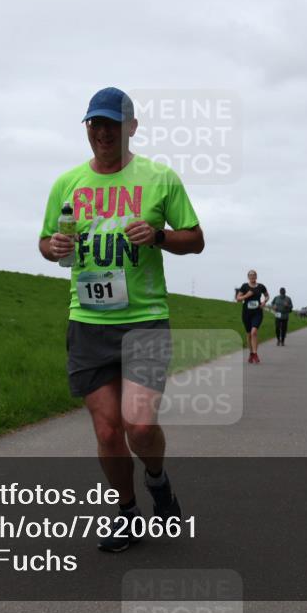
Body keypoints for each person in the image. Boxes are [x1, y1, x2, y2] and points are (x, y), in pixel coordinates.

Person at [39, 87, 204, 552]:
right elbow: (47, 241)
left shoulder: (159, 178)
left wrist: (158, 236)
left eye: (113, 123)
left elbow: (195, 239)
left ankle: (158, 482)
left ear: (131, 127)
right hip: (88, 321)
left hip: (144, 319)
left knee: (140, 426)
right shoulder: (67, 184)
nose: (104, 132)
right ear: (87, 128)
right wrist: (53, 248)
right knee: (108, 429)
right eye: (95, 124)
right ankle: (127, 514)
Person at [236, 270, 268, 363]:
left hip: (257, 312)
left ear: (256, 276)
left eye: (254, 275)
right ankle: (251, 353)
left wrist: (264, 302)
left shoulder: (261, 286)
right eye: (250, 275)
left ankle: (255, 354)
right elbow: (238, 299)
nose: (252, 277)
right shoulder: (244, 286)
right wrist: (247, 295)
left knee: (254, 332)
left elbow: (267, 296)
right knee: (249, 334)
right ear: (248, 277)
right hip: (246, 313)